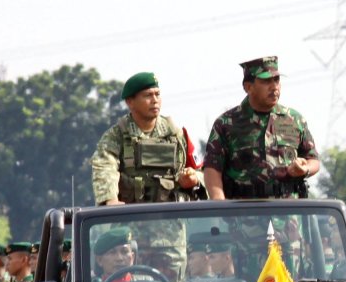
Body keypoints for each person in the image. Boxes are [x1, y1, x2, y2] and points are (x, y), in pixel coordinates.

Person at [203, 57, 320, 200]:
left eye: (276, 80)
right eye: (266, 81)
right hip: (243, 215)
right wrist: (220, 205)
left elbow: (313, 159)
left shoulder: (294, 120)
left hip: (288, 214)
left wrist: (304, 169)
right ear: (248, 87)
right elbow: (212, 169)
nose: (274, 87)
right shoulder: (226, 123)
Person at [91, 72, 203, 205]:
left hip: (172, 220)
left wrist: (194, 179)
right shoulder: (116, 136)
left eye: (157, 94)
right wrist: (111, 200)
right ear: (130, 102)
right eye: (148, 95)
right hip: (132, 220)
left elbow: (201, 171)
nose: (155, 100)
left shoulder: (176, 134)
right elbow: (104, 167)